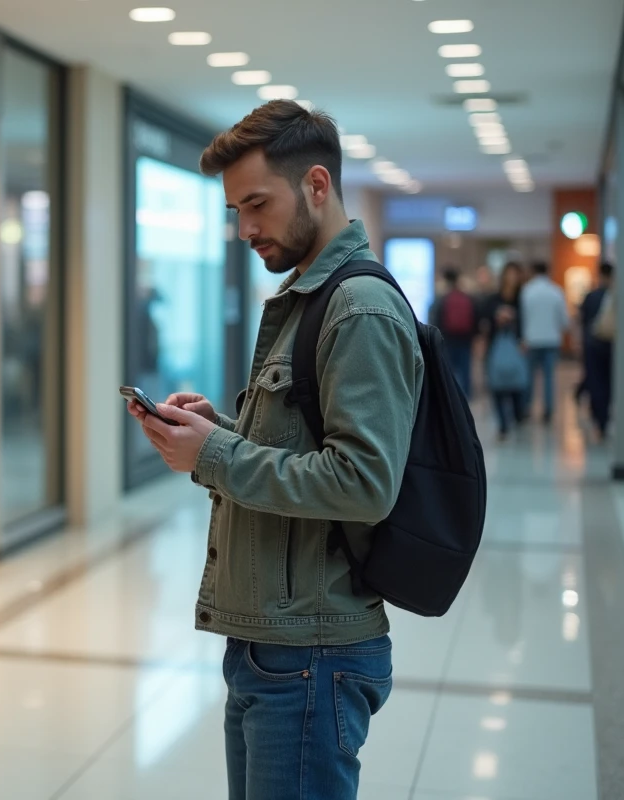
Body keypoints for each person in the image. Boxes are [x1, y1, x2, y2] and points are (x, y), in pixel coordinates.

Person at [126, 100, 421, 800]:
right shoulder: (308, 299)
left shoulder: (359, 309)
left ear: (317, 186)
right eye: (234, 211)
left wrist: (216, 457)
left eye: (256, 204)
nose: (245, 229)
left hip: (313, 651)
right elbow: (311, 449)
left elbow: (363, 481)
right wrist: (217, 434)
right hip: (275, 646)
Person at [519, 262, 571, 423]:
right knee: (549, 377)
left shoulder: (527, 291)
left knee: (529, 376)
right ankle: (548, 410)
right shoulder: (556, 291)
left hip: (531, 339)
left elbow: (523, 317)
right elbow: (564, 320)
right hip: (551, 340)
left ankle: (526, 407)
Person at [486, 264, 529, 439]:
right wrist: (497, 317)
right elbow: (485, 317)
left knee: (517, 383)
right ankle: (503, 423)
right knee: (497, 383)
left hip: (517, 345)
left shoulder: (522, 298)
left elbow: (527, 320)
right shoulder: (494, 299)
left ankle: (518, 415)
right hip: (496, 344)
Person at [579, 262, 615, 440]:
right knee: (607, 383)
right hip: (611, 346)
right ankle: (603, 419)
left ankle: (599, 419)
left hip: (593, 346)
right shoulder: (616, 296)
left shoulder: (592, 296)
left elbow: (583, 321)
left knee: (596, 382)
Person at [431, 267, 478, 397]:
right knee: (465, 369)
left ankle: (450, 395)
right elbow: (474, 317)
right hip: (465, 338)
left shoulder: (442, 297)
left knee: (449, 368)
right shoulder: (466, 296)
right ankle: (466, 395)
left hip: (447, 338)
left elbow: (435, 319)